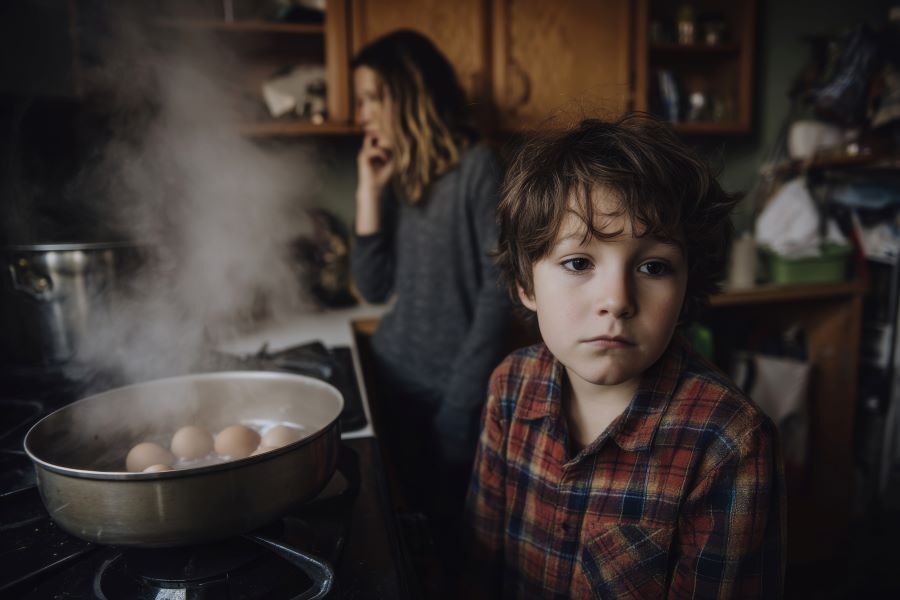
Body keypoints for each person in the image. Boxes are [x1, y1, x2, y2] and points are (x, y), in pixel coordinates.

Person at [465, 115, 786, 598]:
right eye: (578, 262)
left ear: (685, 290)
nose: (616, 300)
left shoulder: (730, 444)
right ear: (525, 284)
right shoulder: (509, 387)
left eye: (653, 266)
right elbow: (478, 566)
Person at [349, 31, 511, 525]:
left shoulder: (478, 168)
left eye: (370, 99)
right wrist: (368, 192)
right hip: (392, 377)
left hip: (452, 394)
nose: (361, 116)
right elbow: (374, 287)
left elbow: (501, 293)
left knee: (451, 533)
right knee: (409, 529)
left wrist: (462, 402)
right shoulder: (400, 173)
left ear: (410, 93)